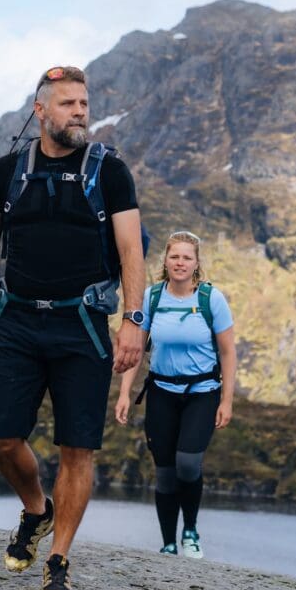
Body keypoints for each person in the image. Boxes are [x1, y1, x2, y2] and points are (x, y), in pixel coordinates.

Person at [0, 65, 145, 590]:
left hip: (81, 323)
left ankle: (59, 559)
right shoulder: (7, 171)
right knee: (0, 437)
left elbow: (132, 251)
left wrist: (133, 322)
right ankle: (37, 510)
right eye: (68, 104)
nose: (80, 112)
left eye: (84, 103)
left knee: (77, 448)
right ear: (41, 111)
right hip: (15, 320)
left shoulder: (110, 172)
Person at [115, 231, 236, 558]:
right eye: (174, 257)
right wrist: (125, 393)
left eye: (186, 258)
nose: (180, 263)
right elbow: (135, 349)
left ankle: (191, 532)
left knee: (187, 463)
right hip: (161, 393)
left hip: (203, 392)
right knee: (165, 473)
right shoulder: (152, 298)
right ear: (165, 262)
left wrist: (227, 401)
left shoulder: (212, 300)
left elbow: (228, 352)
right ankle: (168, 542)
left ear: (196, 264)